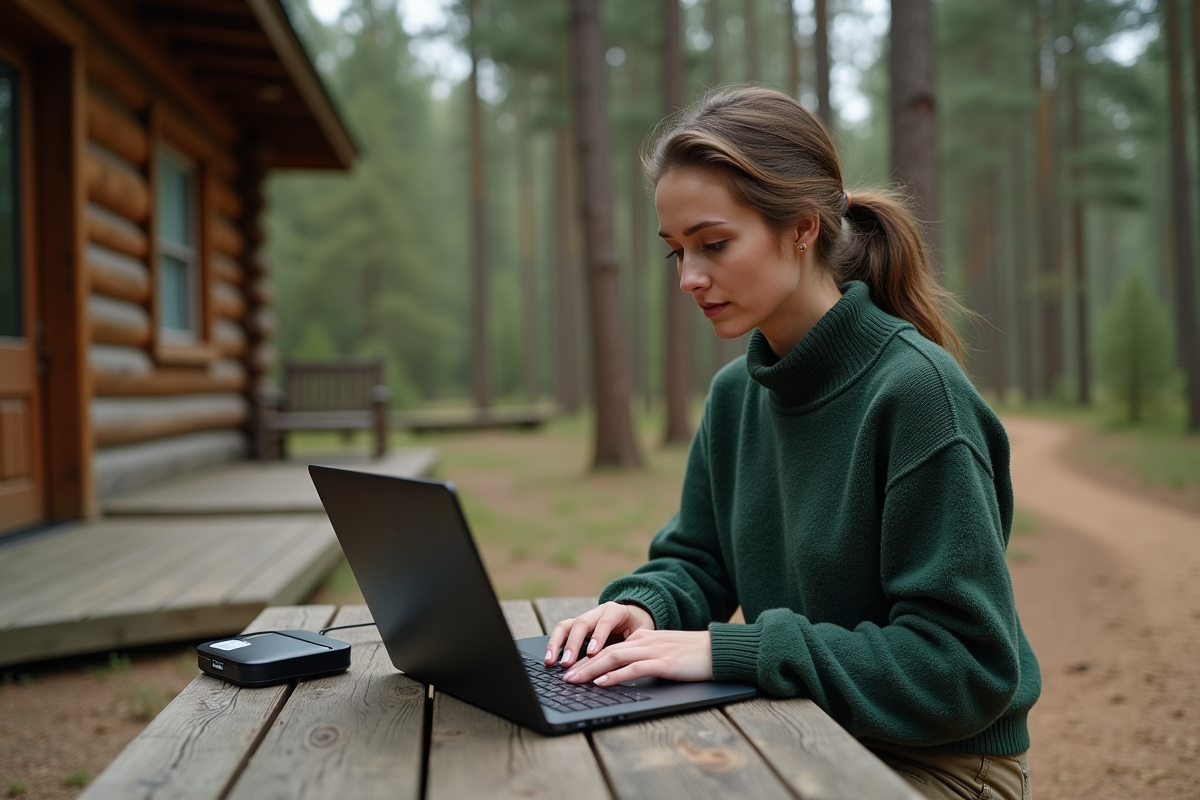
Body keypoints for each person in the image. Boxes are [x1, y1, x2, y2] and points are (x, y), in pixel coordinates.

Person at [544, 87, 1039, 800]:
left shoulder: (917, 395)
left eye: (714, 244)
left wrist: (734, 649)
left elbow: (962, 667)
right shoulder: (737, 395)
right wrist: (646, 607)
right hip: (804, 734)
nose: (689, 277)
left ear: (802, 228)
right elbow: (699, 561)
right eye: (676, 251)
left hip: (937, 765)